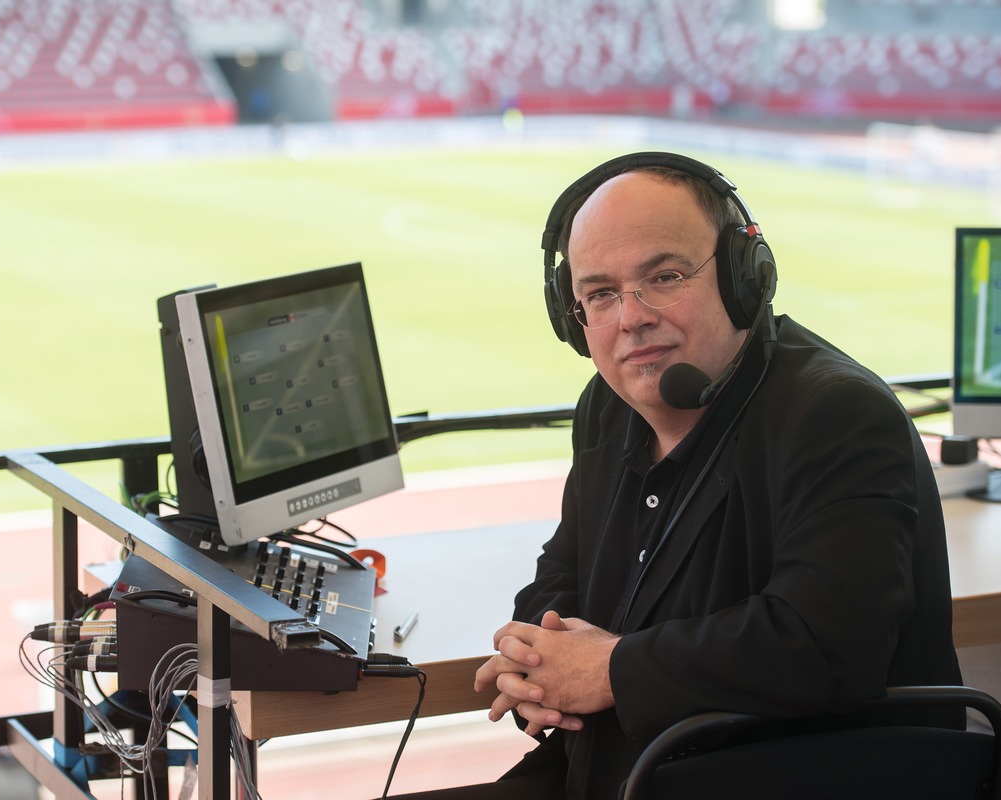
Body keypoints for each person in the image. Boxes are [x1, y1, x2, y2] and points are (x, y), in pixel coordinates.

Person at [388, 152, 964, 800]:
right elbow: (562, 577)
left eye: (663, 276)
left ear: (746, 275)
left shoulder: (836, 413)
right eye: (600, 294)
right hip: (627, 772)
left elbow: (825, 645)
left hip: (783, 778)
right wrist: (538, 662)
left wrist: (609, 670)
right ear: (572, 317)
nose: (632, 315)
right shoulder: (610, 407)